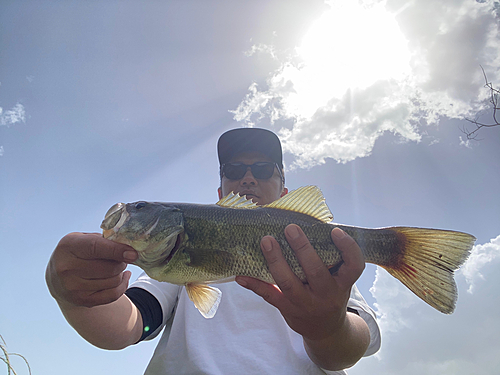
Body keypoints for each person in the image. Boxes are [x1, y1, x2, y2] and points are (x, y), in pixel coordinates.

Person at [46, 128, 380, 374]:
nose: (247, 178)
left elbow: (352, 344)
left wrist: (330, 329)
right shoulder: (172, 267)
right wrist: (75, 297)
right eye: (234, 170)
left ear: (285, 192)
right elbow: (132, 322)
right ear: (221, 190)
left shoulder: (323, 265)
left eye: (263, 169)